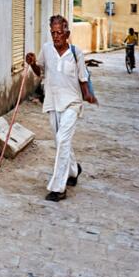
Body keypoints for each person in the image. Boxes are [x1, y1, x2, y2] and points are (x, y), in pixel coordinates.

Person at [25, 15, 97, 202]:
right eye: (53, 33)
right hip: (52, 102)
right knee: (60, 142)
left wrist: (88, 95)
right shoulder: (47, 50)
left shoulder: (76, 52)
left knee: (63, 139)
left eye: (59, 33)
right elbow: (40, 71)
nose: (56, 36)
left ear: (67, 33)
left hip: (72, 103)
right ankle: (73, 170)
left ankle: (58, 187)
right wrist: (33, 63)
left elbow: (83, 77)